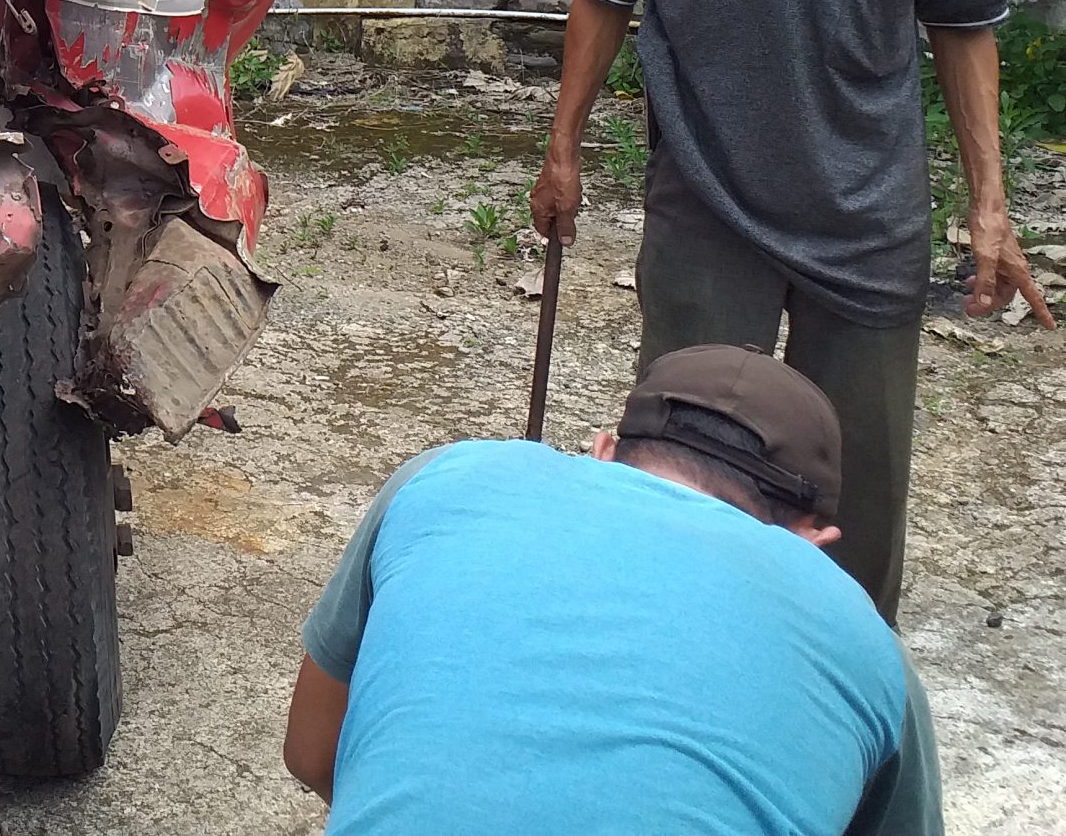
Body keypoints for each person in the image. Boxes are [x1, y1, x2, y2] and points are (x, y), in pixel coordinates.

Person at [529, 0, 1053, 619]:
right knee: (683, 457)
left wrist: (990, 205)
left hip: (867, 218)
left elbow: (963, 28)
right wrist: (563, 149)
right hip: (707, 203)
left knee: (856, 476)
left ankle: (841, 675)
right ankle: (675, 644)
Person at [283, 345, 940, 834]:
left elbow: (314, 754)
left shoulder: (440, 479)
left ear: (602, 452)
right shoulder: (870, 650)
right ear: (812, 544)